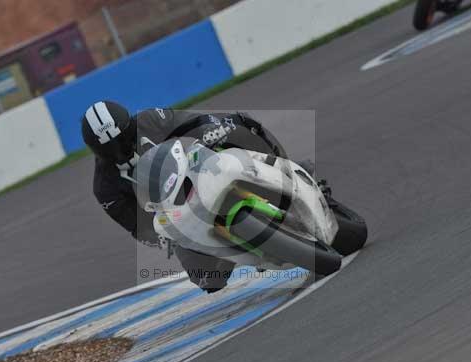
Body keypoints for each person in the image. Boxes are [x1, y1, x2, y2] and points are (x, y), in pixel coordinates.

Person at [81, 100, 331, 293]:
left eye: (123, 139)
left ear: (129, 125)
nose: (119, 150)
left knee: (240, 125)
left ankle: (288, 169)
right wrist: (162, 238)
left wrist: (213, 129)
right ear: (97, 152)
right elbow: (137, 226)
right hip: (177, 212)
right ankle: (232, 252)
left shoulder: (150, 119)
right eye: (108, 149)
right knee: (208, 280)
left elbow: (192, 121)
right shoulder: (105, 188)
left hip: (200, 167)